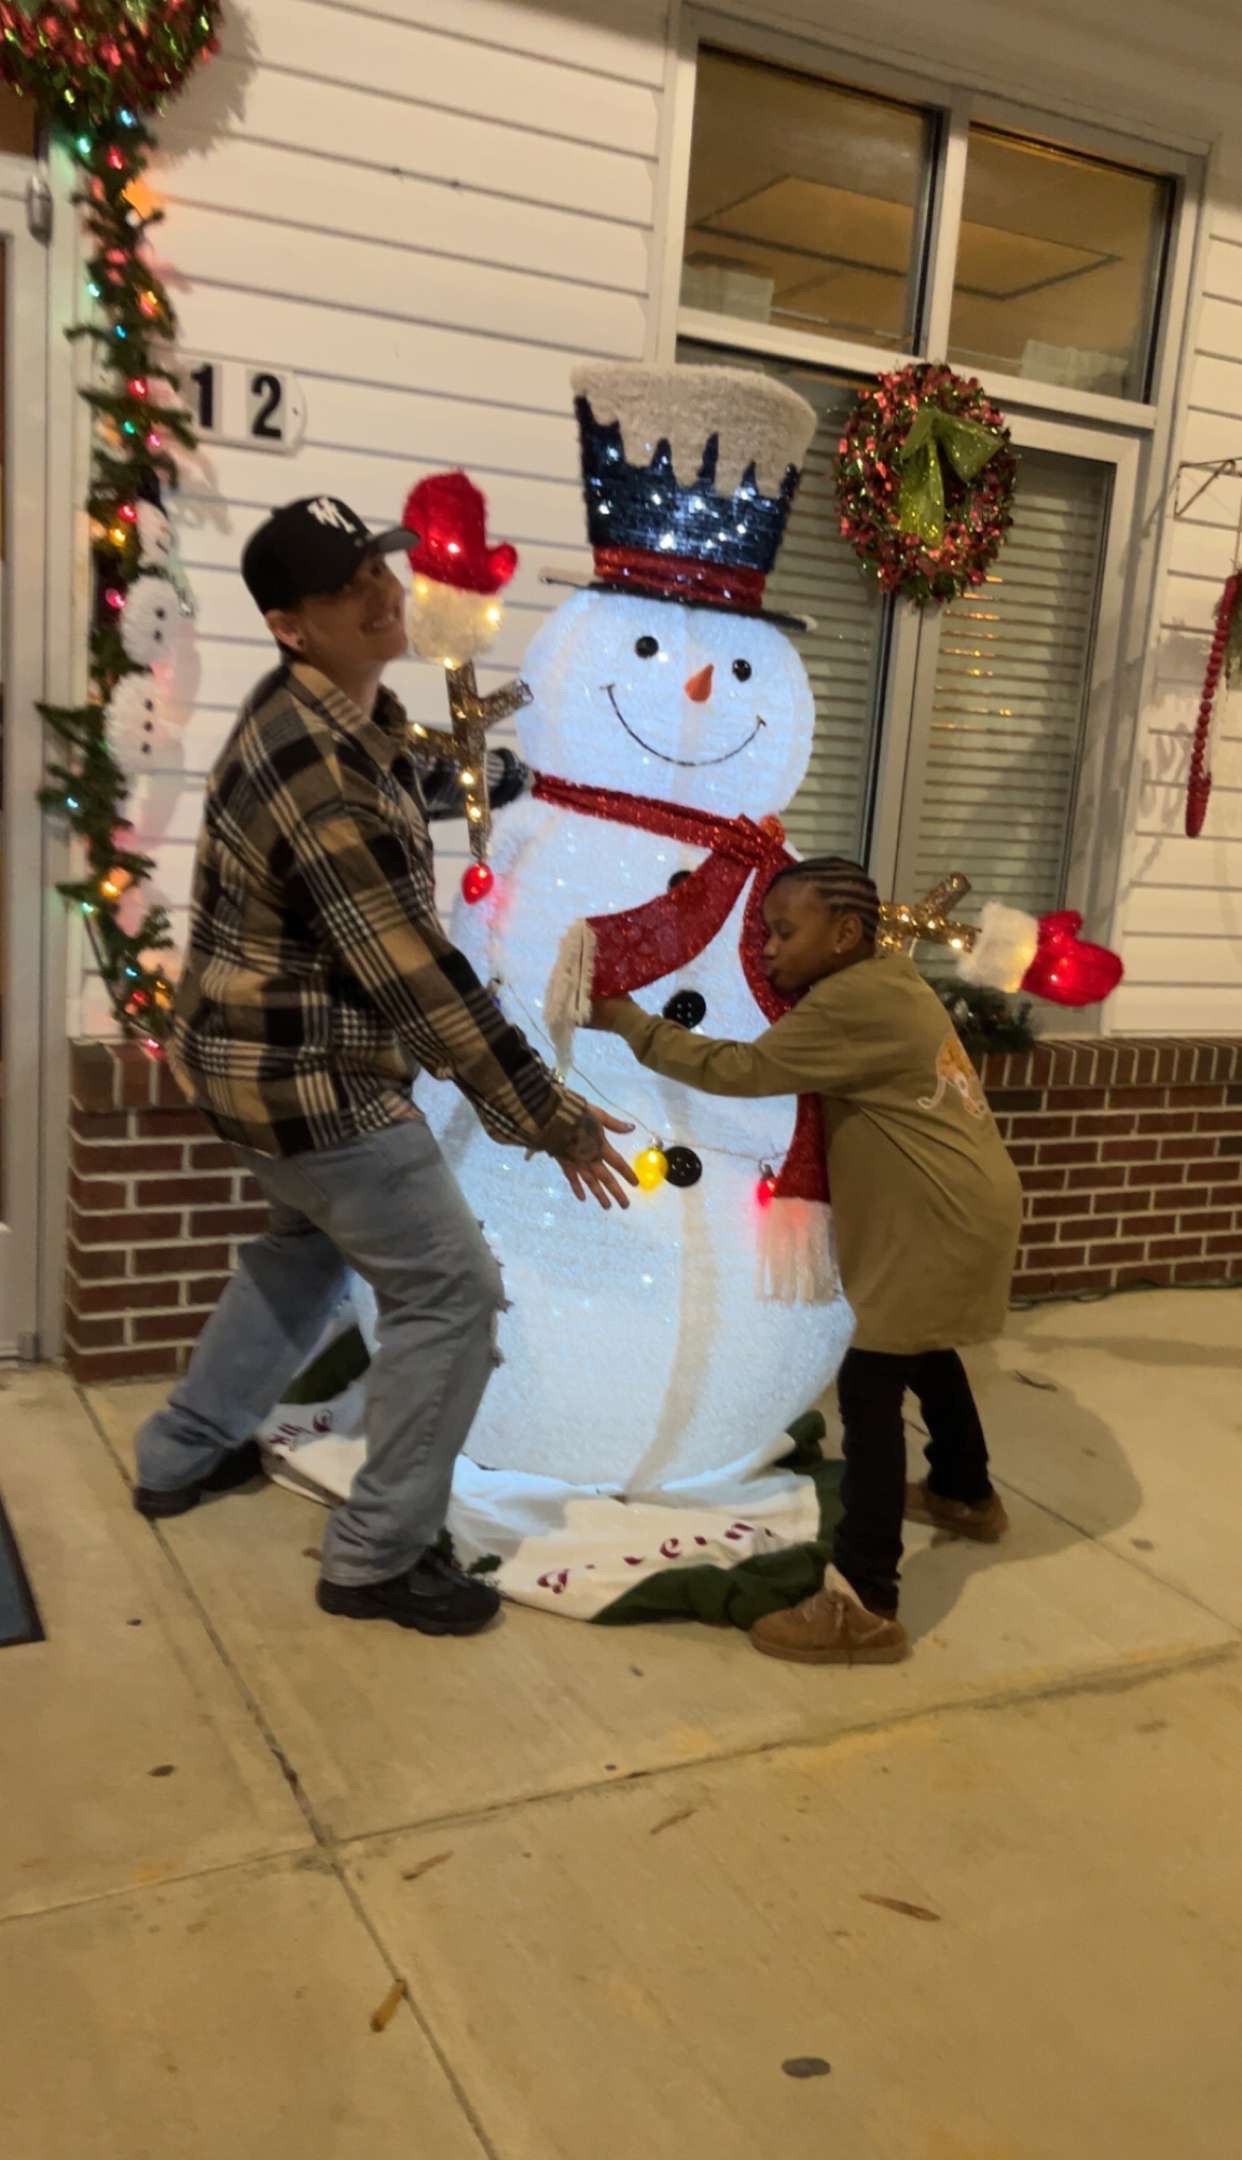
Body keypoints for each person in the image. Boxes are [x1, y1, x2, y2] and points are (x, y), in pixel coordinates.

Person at [134, 494, 636, 1637]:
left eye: (379, 567)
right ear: (289, 624)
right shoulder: (311, 766)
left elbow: (400, 785)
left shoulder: (342, 718)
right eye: (345, 586)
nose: (382, 594)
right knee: (451, 1296)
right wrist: (547, 1114)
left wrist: (512, 784)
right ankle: (376, 1557)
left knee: (301, 1254)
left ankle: (182, 1451)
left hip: (248, 1071)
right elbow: (413, 975)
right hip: (315, 1085)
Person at [591, 855, 1022, 1666]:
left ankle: (865, 1603)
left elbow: (740, 1069)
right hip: (960, 1203)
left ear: (847, 932)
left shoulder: (853, 1002)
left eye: (786, 932)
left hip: (938, 1215)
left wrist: (627, 1021)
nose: (768, 949)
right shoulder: (884, 982)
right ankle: (964, 1492)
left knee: (869, 1383)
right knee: (924, 1348)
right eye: (766, 932)